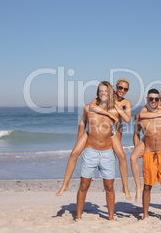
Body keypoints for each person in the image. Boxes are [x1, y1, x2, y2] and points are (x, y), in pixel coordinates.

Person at [56, 78, 132, 200]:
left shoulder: (125, 103)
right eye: (120, 88)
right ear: (115, 88)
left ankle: (125, 188)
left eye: (125, 89)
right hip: (93, 132)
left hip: (111, 132)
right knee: (74, 153)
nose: (122, 91)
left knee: (122, 156)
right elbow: (88, 112)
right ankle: (65, 184)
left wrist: (117, 111)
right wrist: (79, 136)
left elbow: (125, 121)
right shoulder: (99, 100)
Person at [76, 81, 118, 220]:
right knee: (84, 184)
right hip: (90, 151)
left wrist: (117, 141)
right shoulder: (88, 108)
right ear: (97, 93)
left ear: (110, 93)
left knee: (109, 186)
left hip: (107, 152)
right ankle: (78, 216)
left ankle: (111, 218)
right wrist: (79, 142)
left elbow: (120, 128)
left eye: (106, 91)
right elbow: (82, 123)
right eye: (101, 91)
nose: (103, 93)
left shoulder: (114, 111)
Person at [134, 89, 161, 221]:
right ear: (147, 99)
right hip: (148, 152)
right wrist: (137, 148)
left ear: (159, 100)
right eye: (151, 99)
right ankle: (145, 215)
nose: (153, 101)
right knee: (147, 186)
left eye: (156, 99)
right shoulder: (139, 116)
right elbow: (136, 134)